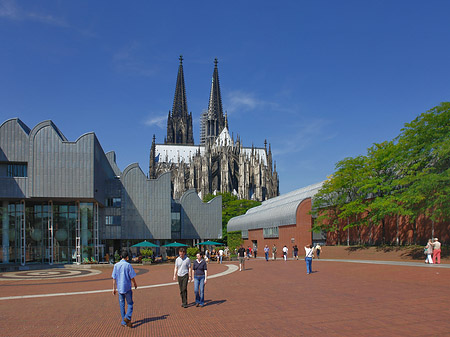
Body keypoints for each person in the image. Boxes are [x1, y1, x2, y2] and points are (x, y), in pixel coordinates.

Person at [112, 250, 137, 328]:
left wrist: (114, 288)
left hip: (120, 288)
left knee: (121, 304)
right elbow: (131, 276)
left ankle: (123, 321)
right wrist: (135, 283)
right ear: (127, 257)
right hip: (127, 287)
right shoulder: (128, 265)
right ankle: (127, 317)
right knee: (130, 303)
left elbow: (114, 277)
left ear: (120, 257)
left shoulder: (116, 265)